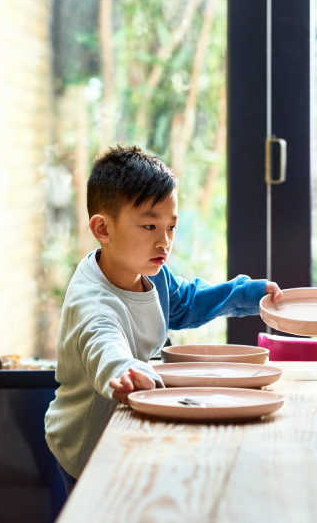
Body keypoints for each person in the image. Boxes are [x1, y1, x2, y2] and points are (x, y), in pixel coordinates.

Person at [44, 144, 282, 494]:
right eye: (150, 225)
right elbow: (103, 345)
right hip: (89, 446)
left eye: (171, 227)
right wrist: (124, 371)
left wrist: (244, 295)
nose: (164, 241)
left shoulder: (150, 271)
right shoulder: (93, 304)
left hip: (130, 421)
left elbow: (185, 302)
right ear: (103, 229)